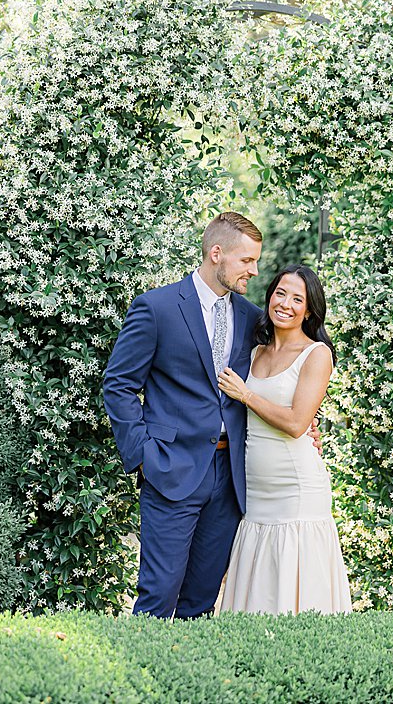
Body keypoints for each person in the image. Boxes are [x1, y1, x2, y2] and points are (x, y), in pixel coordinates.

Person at [103, 212, 266, 618]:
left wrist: (303, 419)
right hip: (170, 469)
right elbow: (119, 384)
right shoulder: (156, 307)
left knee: (201, 601)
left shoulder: (250, 317)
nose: (255, 270)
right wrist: (143, 453)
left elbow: (273, 373)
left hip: (229, 479)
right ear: (217, 254)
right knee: (158, 595)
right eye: (247, 261)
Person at [216, 264, 351, 614]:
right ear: (269, 296)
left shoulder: (316, 355)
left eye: (297, 299)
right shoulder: (255, 352)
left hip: (296, 488)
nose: (286, 305)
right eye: (280, 294)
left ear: (309, 310)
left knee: (294, 578)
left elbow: (295, 423)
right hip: (256, 490)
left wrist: (246, 395)